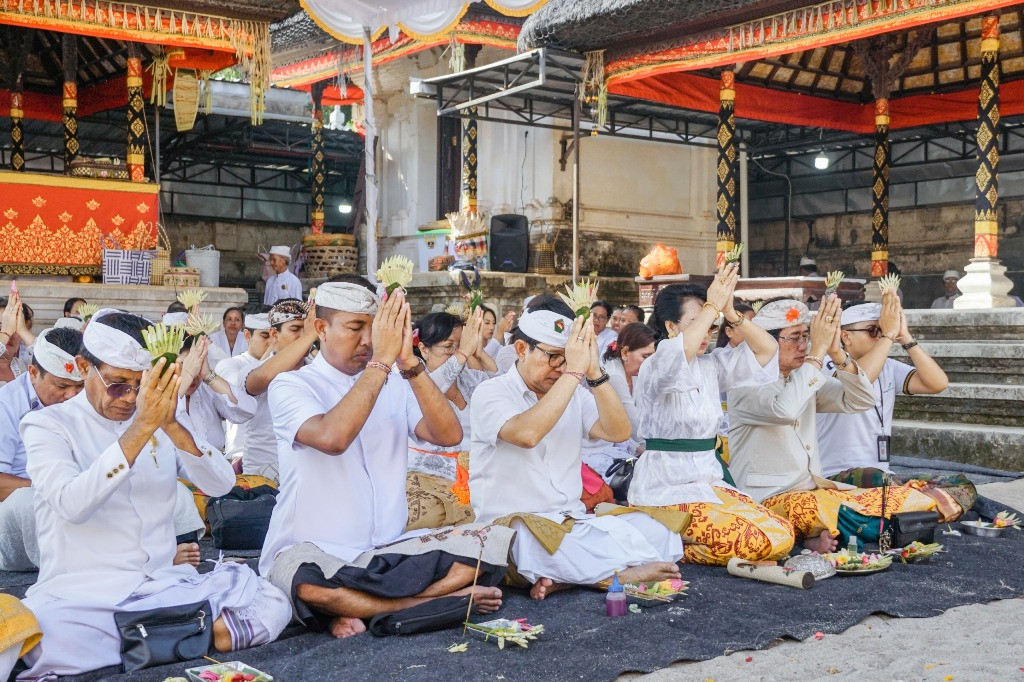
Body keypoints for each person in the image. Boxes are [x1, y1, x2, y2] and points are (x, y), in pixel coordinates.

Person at [18, 309, 290, 677]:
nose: (130, 398)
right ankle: (191, 635)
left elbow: (221, 484)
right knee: (41, 637)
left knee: (271, 600)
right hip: (85, 598)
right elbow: (71, 504)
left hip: (165, 586)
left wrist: (171, 425)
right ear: (84, 368)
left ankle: (145, 642)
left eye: (139, 385)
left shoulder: (160, 417)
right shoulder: (47, 425)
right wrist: (140, 430)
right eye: (118, 384)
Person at [261, 280, 515, 639]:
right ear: (321, 328)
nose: (368, 340)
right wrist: (381, 363)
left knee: (486, 547)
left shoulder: (396, 380)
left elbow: (448, 435)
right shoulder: (292, 385)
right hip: (315, 552)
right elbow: (332, 439)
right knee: (305, 584)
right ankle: (419, 604)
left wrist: (410, 364)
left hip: (388, 550)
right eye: (355, 328)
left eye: (374, 328)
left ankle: (361, 607)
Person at [470, 299, 684, 600]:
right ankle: (616, 575)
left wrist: (594, 372)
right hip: (514, 525)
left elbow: (619, 431)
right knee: (523, 542)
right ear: (521, 350)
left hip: (571, 522)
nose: (561, 368)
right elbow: (527, 434)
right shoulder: (490, 393)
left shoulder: (573, 394)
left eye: (567, 360)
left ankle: (571, 578)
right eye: (555, 357)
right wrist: (573, 374)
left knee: (662, 531)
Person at [728, 296, 936, 553]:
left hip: (815, 490)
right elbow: (785, 409)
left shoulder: (801, 377)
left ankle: (817, 534)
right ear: (767, 342)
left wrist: (837, 353)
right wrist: (817, 354)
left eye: (806, 337)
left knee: (908, 499)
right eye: (794, 337)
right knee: (824, 510)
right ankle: (816, 534)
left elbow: (859, 400)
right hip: (768, 497)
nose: (803, 345)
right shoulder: (743, 384)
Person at [629, 267, 795, 565]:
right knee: (756, 540)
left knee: (781, 532)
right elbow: (681, 353)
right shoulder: (657, 362)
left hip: (708, 478)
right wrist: (710, 306)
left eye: (710, 325)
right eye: (697, 323)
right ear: (670, 326)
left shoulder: (711, 365)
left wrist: (730, 313)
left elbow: (768, 350)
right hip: (665, 486)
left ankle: (668, 541)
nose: (706, 332)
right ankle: (663, 541)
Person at [818, 301, 971, 522]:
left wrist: (905, 338)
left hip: (884, 479)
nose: (881, 336)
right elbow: (858, 382)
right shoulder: (826, 364)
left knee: (962, 486)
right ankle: (913, 511)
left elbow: (937, 383)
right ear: (845, 336)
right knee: (878, 480)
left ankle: (901, 510)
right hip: (836, 477)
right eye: (873, 331)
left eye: (882, 330)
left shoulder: (887, 365)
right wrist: (888, 337)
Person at [0, 327, 84, 572]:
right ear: (34, 372)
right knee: (29, 501)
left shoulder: (86, 399)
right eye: (62, 385)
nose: (71, 395)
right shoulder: (5, 404)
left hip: (78, 500)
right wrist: (55, 489)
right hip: (17, 516)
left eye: (79, 387)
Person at [406, 309, 497, 530]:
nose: (456, 354)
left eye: (458, 346)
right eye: (448, 347)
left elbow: (500, 381)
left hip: (477, 478)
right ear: (424, 349)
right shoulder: (413, 382)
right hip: (428, 479)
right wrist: (464, 352)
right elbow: (434, 387)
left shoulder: (470, 378)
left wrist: (479, 352)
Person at [240, 299, 314, 481]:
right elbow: (264, 378)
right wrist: (309, 336)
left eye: (307, 329)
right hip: (262, 473)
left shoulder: (316, 371)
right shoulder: (251, 370)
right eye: (295, 329)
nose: (303, 335)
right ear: (274, 334)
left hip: (306, 472)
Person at [175, 335, 257, 454]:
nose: (192, 374)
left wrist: (208, 375)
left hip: (215, 470)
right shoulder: (157, 399)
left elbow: (247, 410)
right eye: (184, 365)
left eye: (197, 364)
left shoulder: (206, 391)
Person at [217, 307, 273, 464]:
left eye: (276, 336)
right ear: (247, 335)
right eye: (265, 336)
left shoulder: (290, 365)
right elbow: (239, 392)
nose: (271, 342)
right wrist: (275, 353)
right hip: (242, 458)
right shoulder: (230, 365)